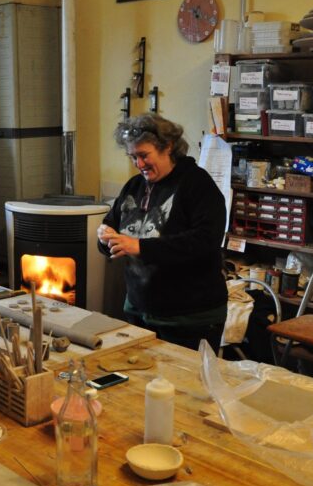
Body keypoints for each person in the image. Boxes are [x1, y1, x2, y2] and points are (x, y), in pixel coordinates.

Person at [97, 114, 227, 351]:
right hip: (139, 311)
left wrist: (140, 246)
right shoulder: (134, 187)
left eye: (144, 155)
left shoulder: (197, 184)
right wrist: (106, 237)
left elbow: (205, 241)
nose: (139, 164)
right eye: (133, 157)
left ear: (168, 147)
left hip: (189, 317)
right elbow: (113, 225)